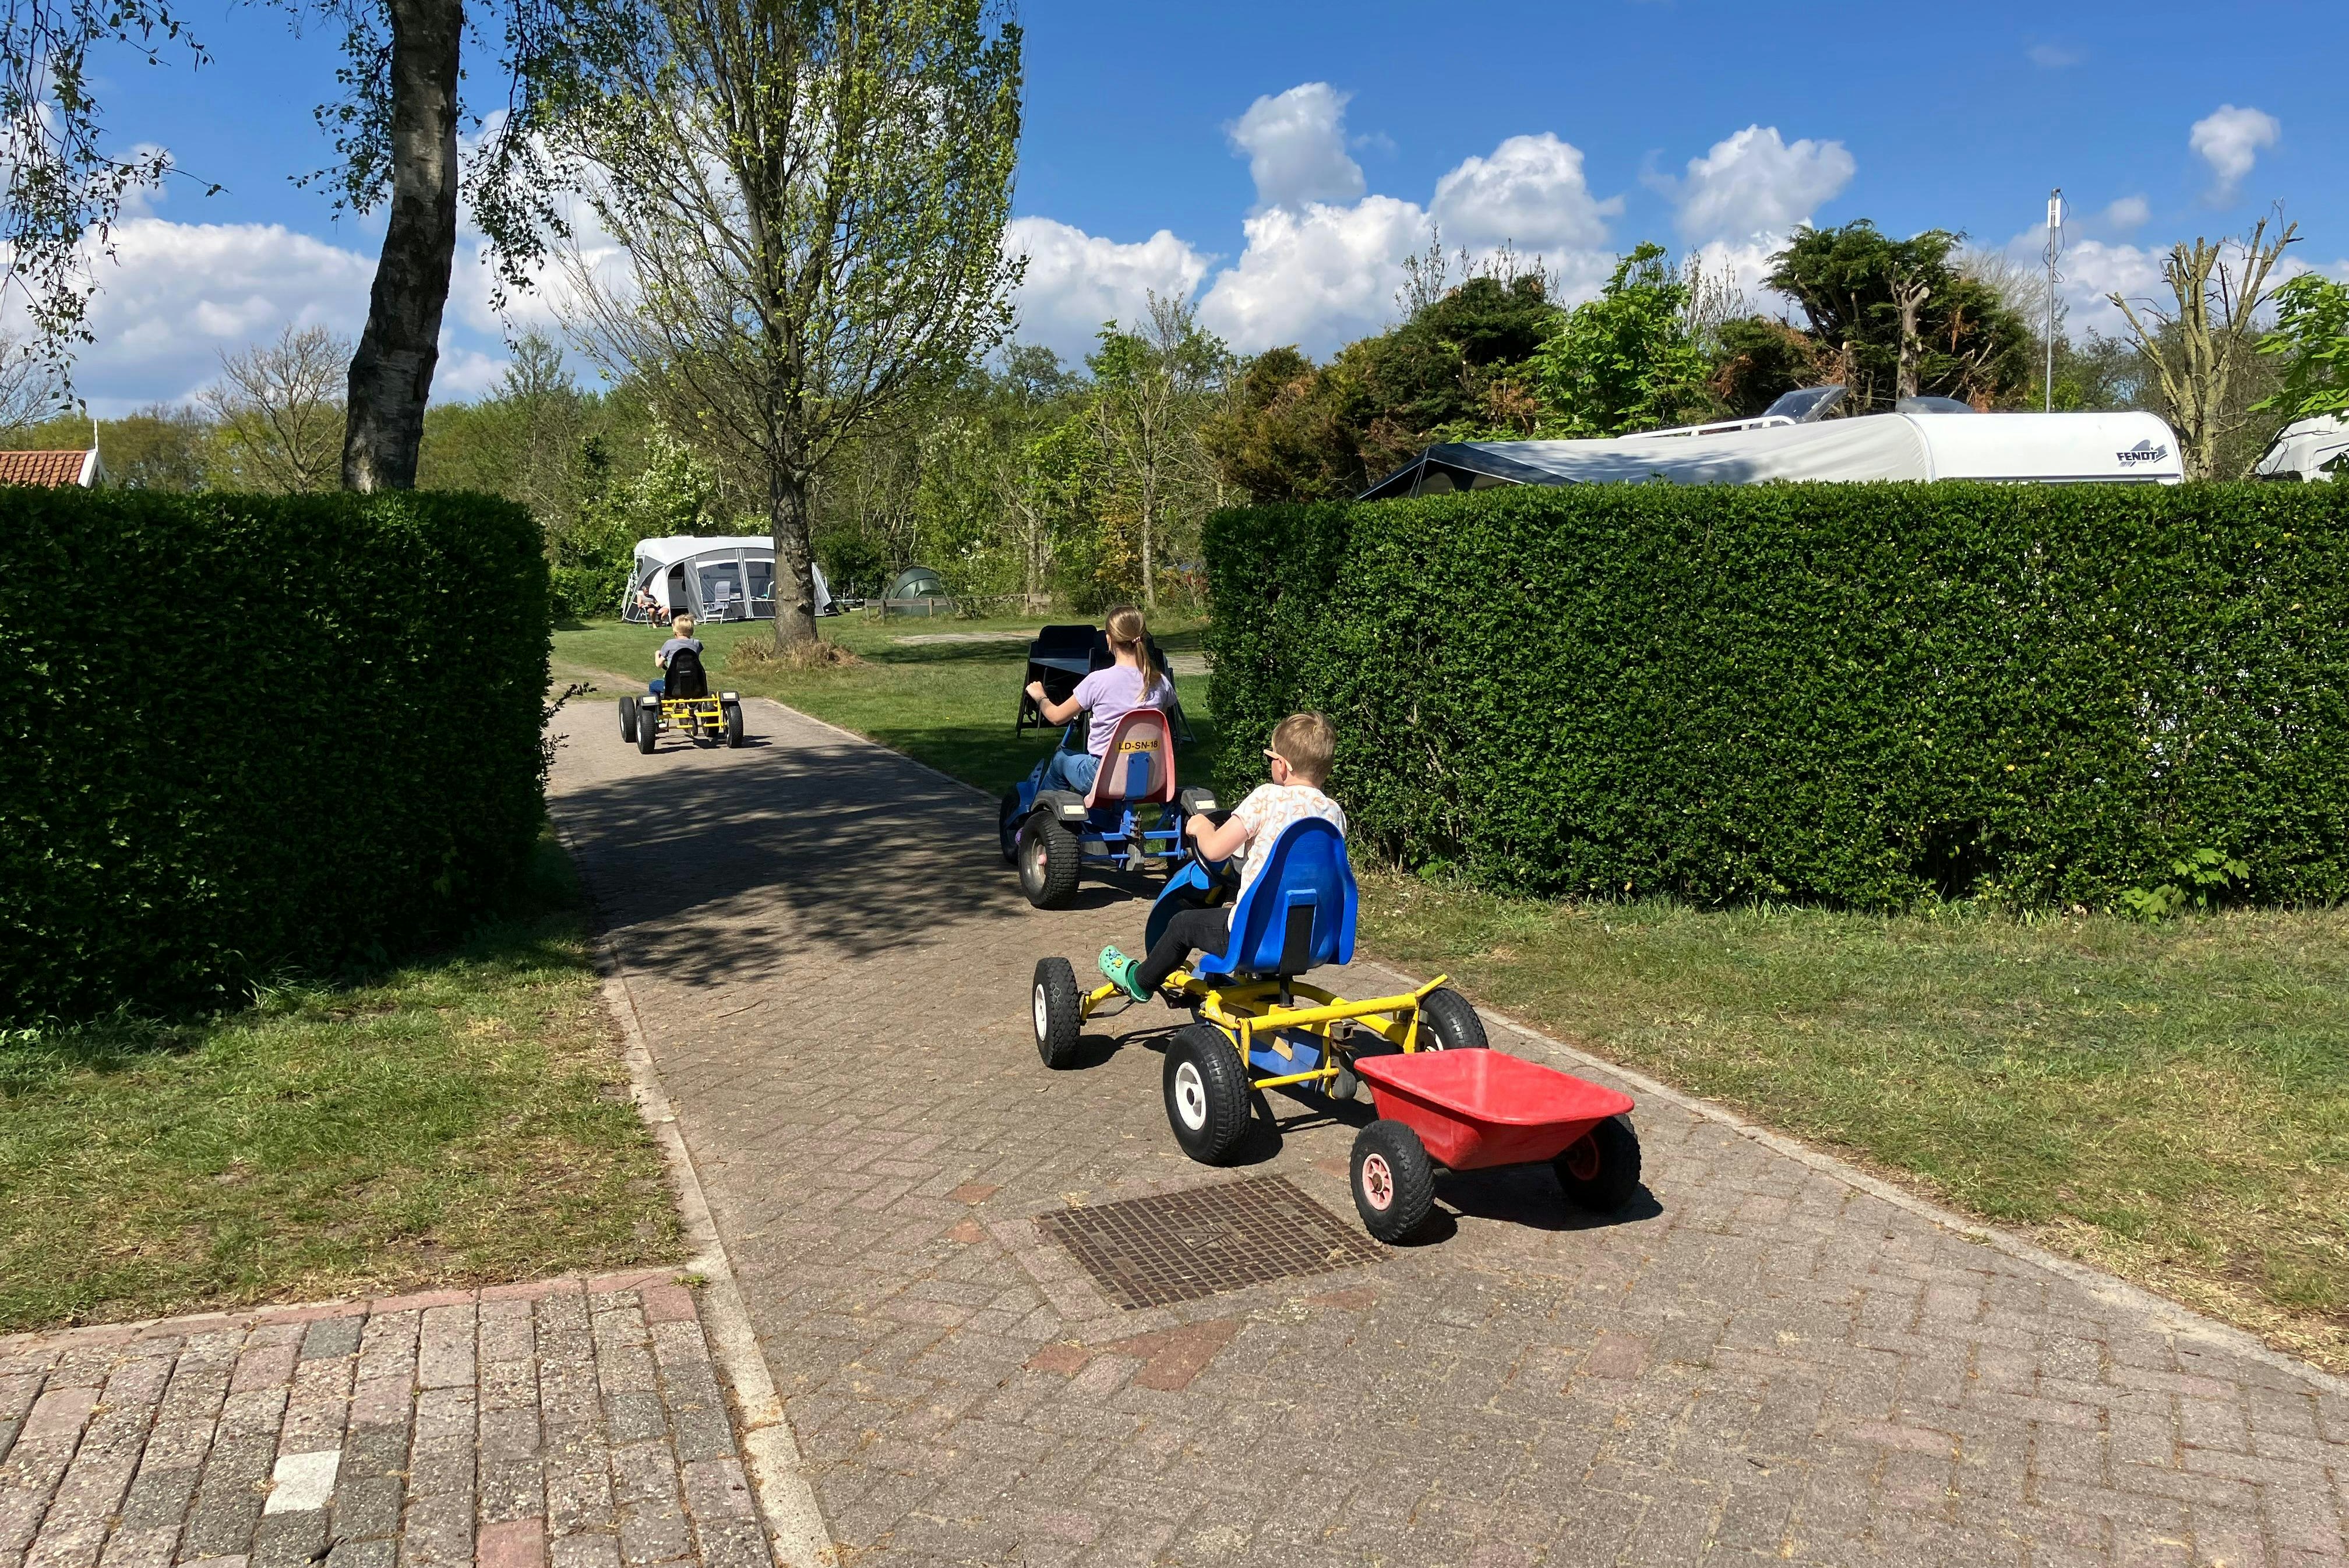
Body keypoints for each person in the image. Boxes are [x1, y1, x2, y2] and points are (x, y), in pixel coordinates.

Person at [1097, 711, 1347, 1000]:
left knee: (1182, 924)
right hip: (1314, 940)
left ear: (1281, 766)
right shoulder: (1333, 814)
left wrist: (1202, 826)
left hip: (1253, 937)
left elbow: (1215, 850)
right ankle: (1263, 994)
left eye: (1271, 758)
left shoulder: (1266, 798)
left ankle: (1140, 981)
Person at [1022, 605, 1174, 796]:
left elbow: (1056, 717)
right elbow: (1160, 724)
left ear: (1109, 640)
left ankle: (1042, 819)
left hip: (1101, 776)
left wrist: (1040, 696)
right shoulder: (1160, 682)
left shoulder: (1098, 681)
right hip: (1150, 776)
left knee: (1061, 758)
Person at [648, 613, 702, 698]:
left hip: (673, 686)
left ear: (675, 631)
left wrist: (657, 654)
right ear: (692, 630)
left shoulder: (669, 644)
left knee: (653, 685)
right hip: (694, 685)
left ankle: (656, 710)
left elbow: (659, 665)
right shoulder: (697, 644)